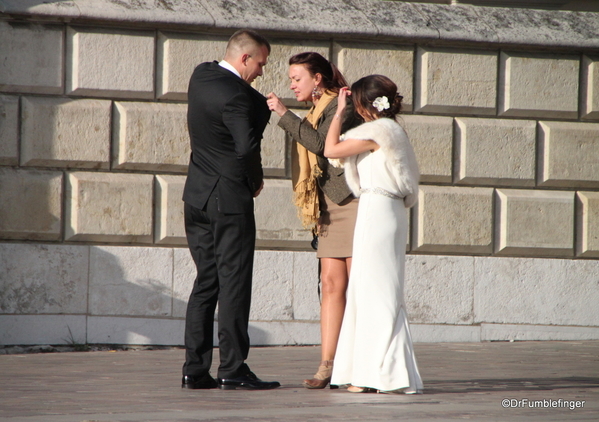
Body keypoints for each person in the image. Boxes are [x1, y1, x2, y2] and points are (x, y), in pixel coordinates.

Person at [181, 29, 280, 391]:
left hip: (196, 198)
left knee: (206, 282)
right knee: (234, 283)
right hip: (229, 201)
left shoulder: (200, 74)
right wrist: (255, 181)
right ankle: (233, 369)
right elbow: (246, 147)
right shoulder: (240, 98)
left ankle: (194, 369)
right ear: (244, 59)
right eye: (260, 63)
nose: (261, 72)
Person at [266, 52, 361, 389]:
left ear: (317, 79)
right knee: (331, 285)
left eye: (297, 78)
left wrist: (283, 113)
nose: (292, 84)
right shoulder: (315, 109)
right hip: (327, 206)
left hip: (351, 203)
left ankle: (360, 365)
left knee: (358, 286)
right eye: (291, 79)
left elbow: (323, 147)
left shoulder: (340, 105)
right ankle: (327, 364)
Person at [324, 75, 423, 394]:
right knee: (374, 291)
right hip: (382, 210)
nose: (354, 109)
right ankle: (372, 373)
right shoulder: (391, 130)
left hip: (378, 211)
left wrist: (338, 113)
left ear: (366, 105)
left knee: (375, 293)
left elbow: (330, 149)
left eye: (355, 104)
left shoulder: (378, 131)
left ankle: (377, 375)